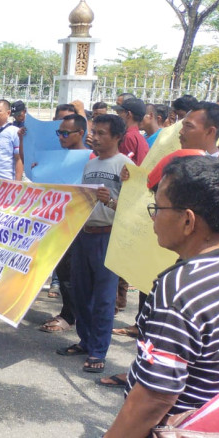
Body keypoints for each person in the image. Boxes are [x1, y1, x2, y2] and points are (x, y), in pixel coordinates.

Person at [106, 155, 219, 436]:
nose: (154, 217)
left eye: (158, 207)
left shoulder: (180, 290)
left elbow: (155, 397)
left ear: (187, 220)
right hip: (216, 423)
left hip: (178, 427)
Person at [56, 114, 133, 374]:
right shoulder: (90, 165)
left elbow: (133, 211)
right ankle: (85, 340)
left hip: (108, 237)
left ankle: (99, 351)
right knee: (80, 292)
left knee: (103, 298)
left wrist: (110, 201)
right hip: (84, 235)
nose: (95, 138)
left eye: (101, 133)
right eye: (94, 132)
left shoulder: (126, 166)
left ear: (117, 137)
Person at [38, 114, 88, 334]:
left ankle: (71, 315)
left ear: (81, 133)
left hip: (78, 225)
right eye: (59, 133)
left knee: (71, 274)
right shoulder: (58, 157)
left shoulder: (90, 159)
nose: (61, 137)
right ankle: (71, 312)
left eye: (66, 133)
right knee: (63, 270)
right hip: (57, 223)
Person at [112, 97, 150, 166]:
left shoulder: (129, 137)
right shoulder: (139, 137)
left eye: (121, 112)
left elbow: (122, 165)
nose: (119, 115)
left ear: (129, 114)